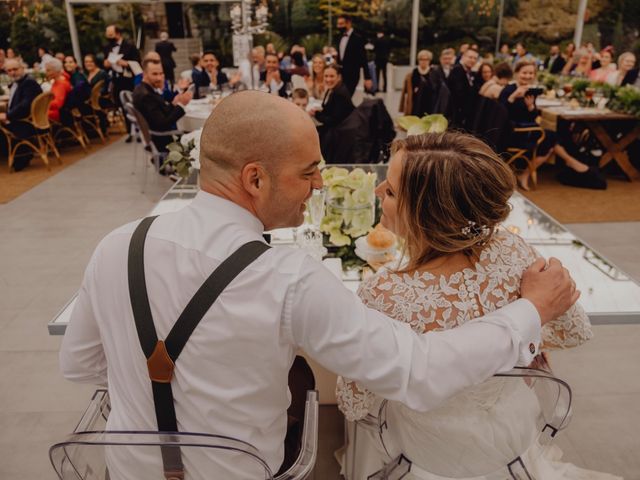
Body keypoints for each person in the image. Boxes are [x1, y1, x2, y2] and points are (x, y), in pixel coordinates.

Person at [60, 90, 577, 476]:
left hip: (126, 469)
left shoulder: (117, 244)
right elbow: (420, 371)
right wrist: (529, 311)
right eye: (309, 171)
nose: (320, 185)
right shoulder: (287, 278)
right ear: (255, 179)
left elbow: (79, 363)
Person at [336, 131, 619, 480]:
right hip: (511, 433)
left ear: (429, 214)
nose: (378, 192)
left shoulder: (383, 292)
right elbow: (573, 329)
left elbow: (353, 401)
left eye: (391, 191)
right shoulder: (513, 253)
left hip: (429, 448)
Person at [499, 60, 596, 191]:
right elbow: (500, 114)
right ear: (517, 73)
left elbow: (530, 117)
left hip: (526, 129)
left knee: (551, 139)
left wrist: (531, 107)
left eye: (531, 73)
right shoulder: (509, 89)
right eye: (524, 73)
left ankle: (568, 162)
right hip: (511, 133)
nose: (528, 76)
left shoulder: (531, 91)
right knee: (551, 139)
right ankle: (570, 162)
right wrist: (513, 97)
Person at [132, 58, 192, 153]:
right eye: (155, 74)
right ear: (144, 74)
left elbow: (159, 113)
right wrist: (181, 105)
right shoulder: (146, 95)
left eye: (161, 74)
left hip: (157, 136)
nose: (159, 78)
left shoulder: (145, 89)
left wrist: (173, 104)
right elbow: (163, 124)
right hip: (162, 141)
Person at [0, 58, 43, 171]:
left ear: (22, 68)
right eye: (9, 70)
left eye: (15, 69)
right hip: (21, 120)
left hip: (26, 123)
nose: (12, 72)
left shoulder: (29, 83)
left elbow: (25, 105)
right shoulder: (18, 83)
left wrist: (7, 116)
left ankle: (21, 156)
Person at [103, 24, 141, 142]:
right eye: (107, 34)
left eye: (111, 34)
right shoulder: (107, 47)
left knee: (135, 105)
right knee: (123, 105)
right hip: (116, 80)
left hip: (129, 79)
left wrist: (126, 63)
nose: (109, 37)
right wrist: (106, 64)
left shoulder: (130, 46)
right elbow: (105, 63)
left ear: (118, 34)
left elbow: (138, 62)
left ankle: (140, 131)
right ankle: (129, 131)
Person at [400, 49, 448, 117]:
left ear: (429, 60)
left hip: (430, 101)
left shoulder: (434, 72)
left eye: (426, 59)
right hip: (417, 102)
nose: (423, 61)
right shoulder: (415, 72)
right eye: (421, 59)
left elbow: (437, 86)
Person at [311, 64, 354, 138]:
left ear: (339, 77)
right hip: (337, 127)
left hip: (339, 133)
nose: (328, 79)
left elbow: (333, 121)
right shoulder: (334, 88)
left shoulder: (340, 94)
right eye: (326, 76)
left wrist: (316, 114)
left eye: (332, 76)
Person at [336, 14, 372, 95]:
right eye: (338, 24)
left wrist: (367, 77)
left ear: (348, 23)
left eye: (341, 24)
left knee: (346, 97)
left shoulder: (358, 38)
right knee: (340, 97)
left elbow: (363, 58)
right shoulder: (340, 37)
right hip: (340, 74)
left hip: (352, 74)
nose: (338, 26)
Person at [447, 47, 480, 130]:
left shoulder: (468, 72)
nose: (472, 60)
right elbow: (459, 95)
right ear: (463, 57)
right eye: (470, 57)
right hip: (456, 115)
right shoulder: (457, 70)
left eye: (475, 58)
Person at [44, 58, 72, 123]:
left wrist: (44, 104)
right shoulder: (58, 81)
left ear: (56, 71)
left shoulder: (61, 83)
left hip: (58, 114)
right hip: (56, 111)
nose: (46, 73)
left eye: (48, 70)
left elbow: (57, 104)